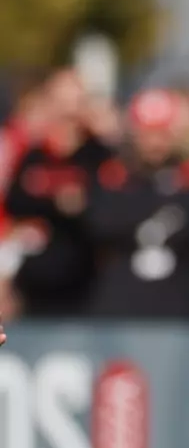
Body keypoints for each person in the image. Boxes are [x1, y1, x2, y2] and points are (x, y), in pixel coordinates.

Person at [84, 89, 189, 320]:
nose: (155, 143)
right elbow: (102, 225)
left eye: (162, 134)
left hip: (175, 303)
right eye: (148, 134)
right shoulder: (113, 175)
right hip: (120, 301)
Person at [4, 69, 113, 318]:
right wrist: (55, 203)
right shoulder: (34, 155)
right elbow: (15, 202)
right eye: (61, 103)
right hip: (34, 287)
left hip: (85, 287)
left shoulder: (99, 155)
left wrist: (81, 205)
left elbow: (109, 211)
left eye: (74, 104)